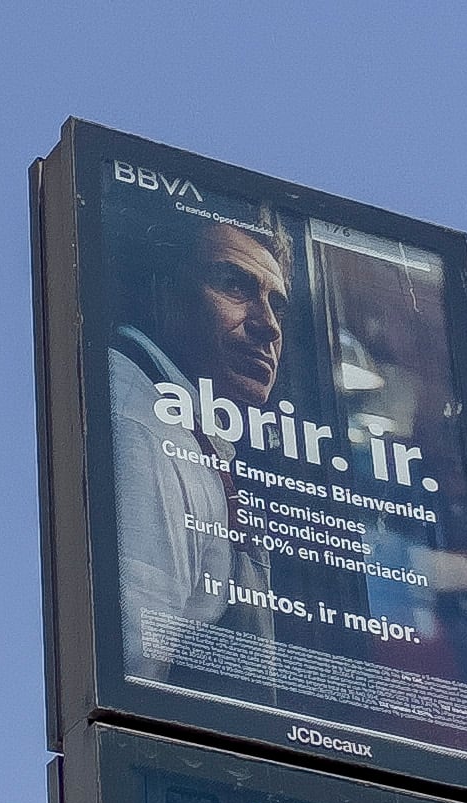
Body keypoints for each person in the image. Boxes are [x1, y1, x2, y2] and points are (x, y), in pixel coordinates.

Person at [108, 210, 293, 676]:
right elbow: (131, 675)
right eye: (235, 286)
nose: (268, 325)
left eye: (277, 304)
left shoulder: (184, 424)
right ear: (163, 291)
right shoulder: (141, 424)